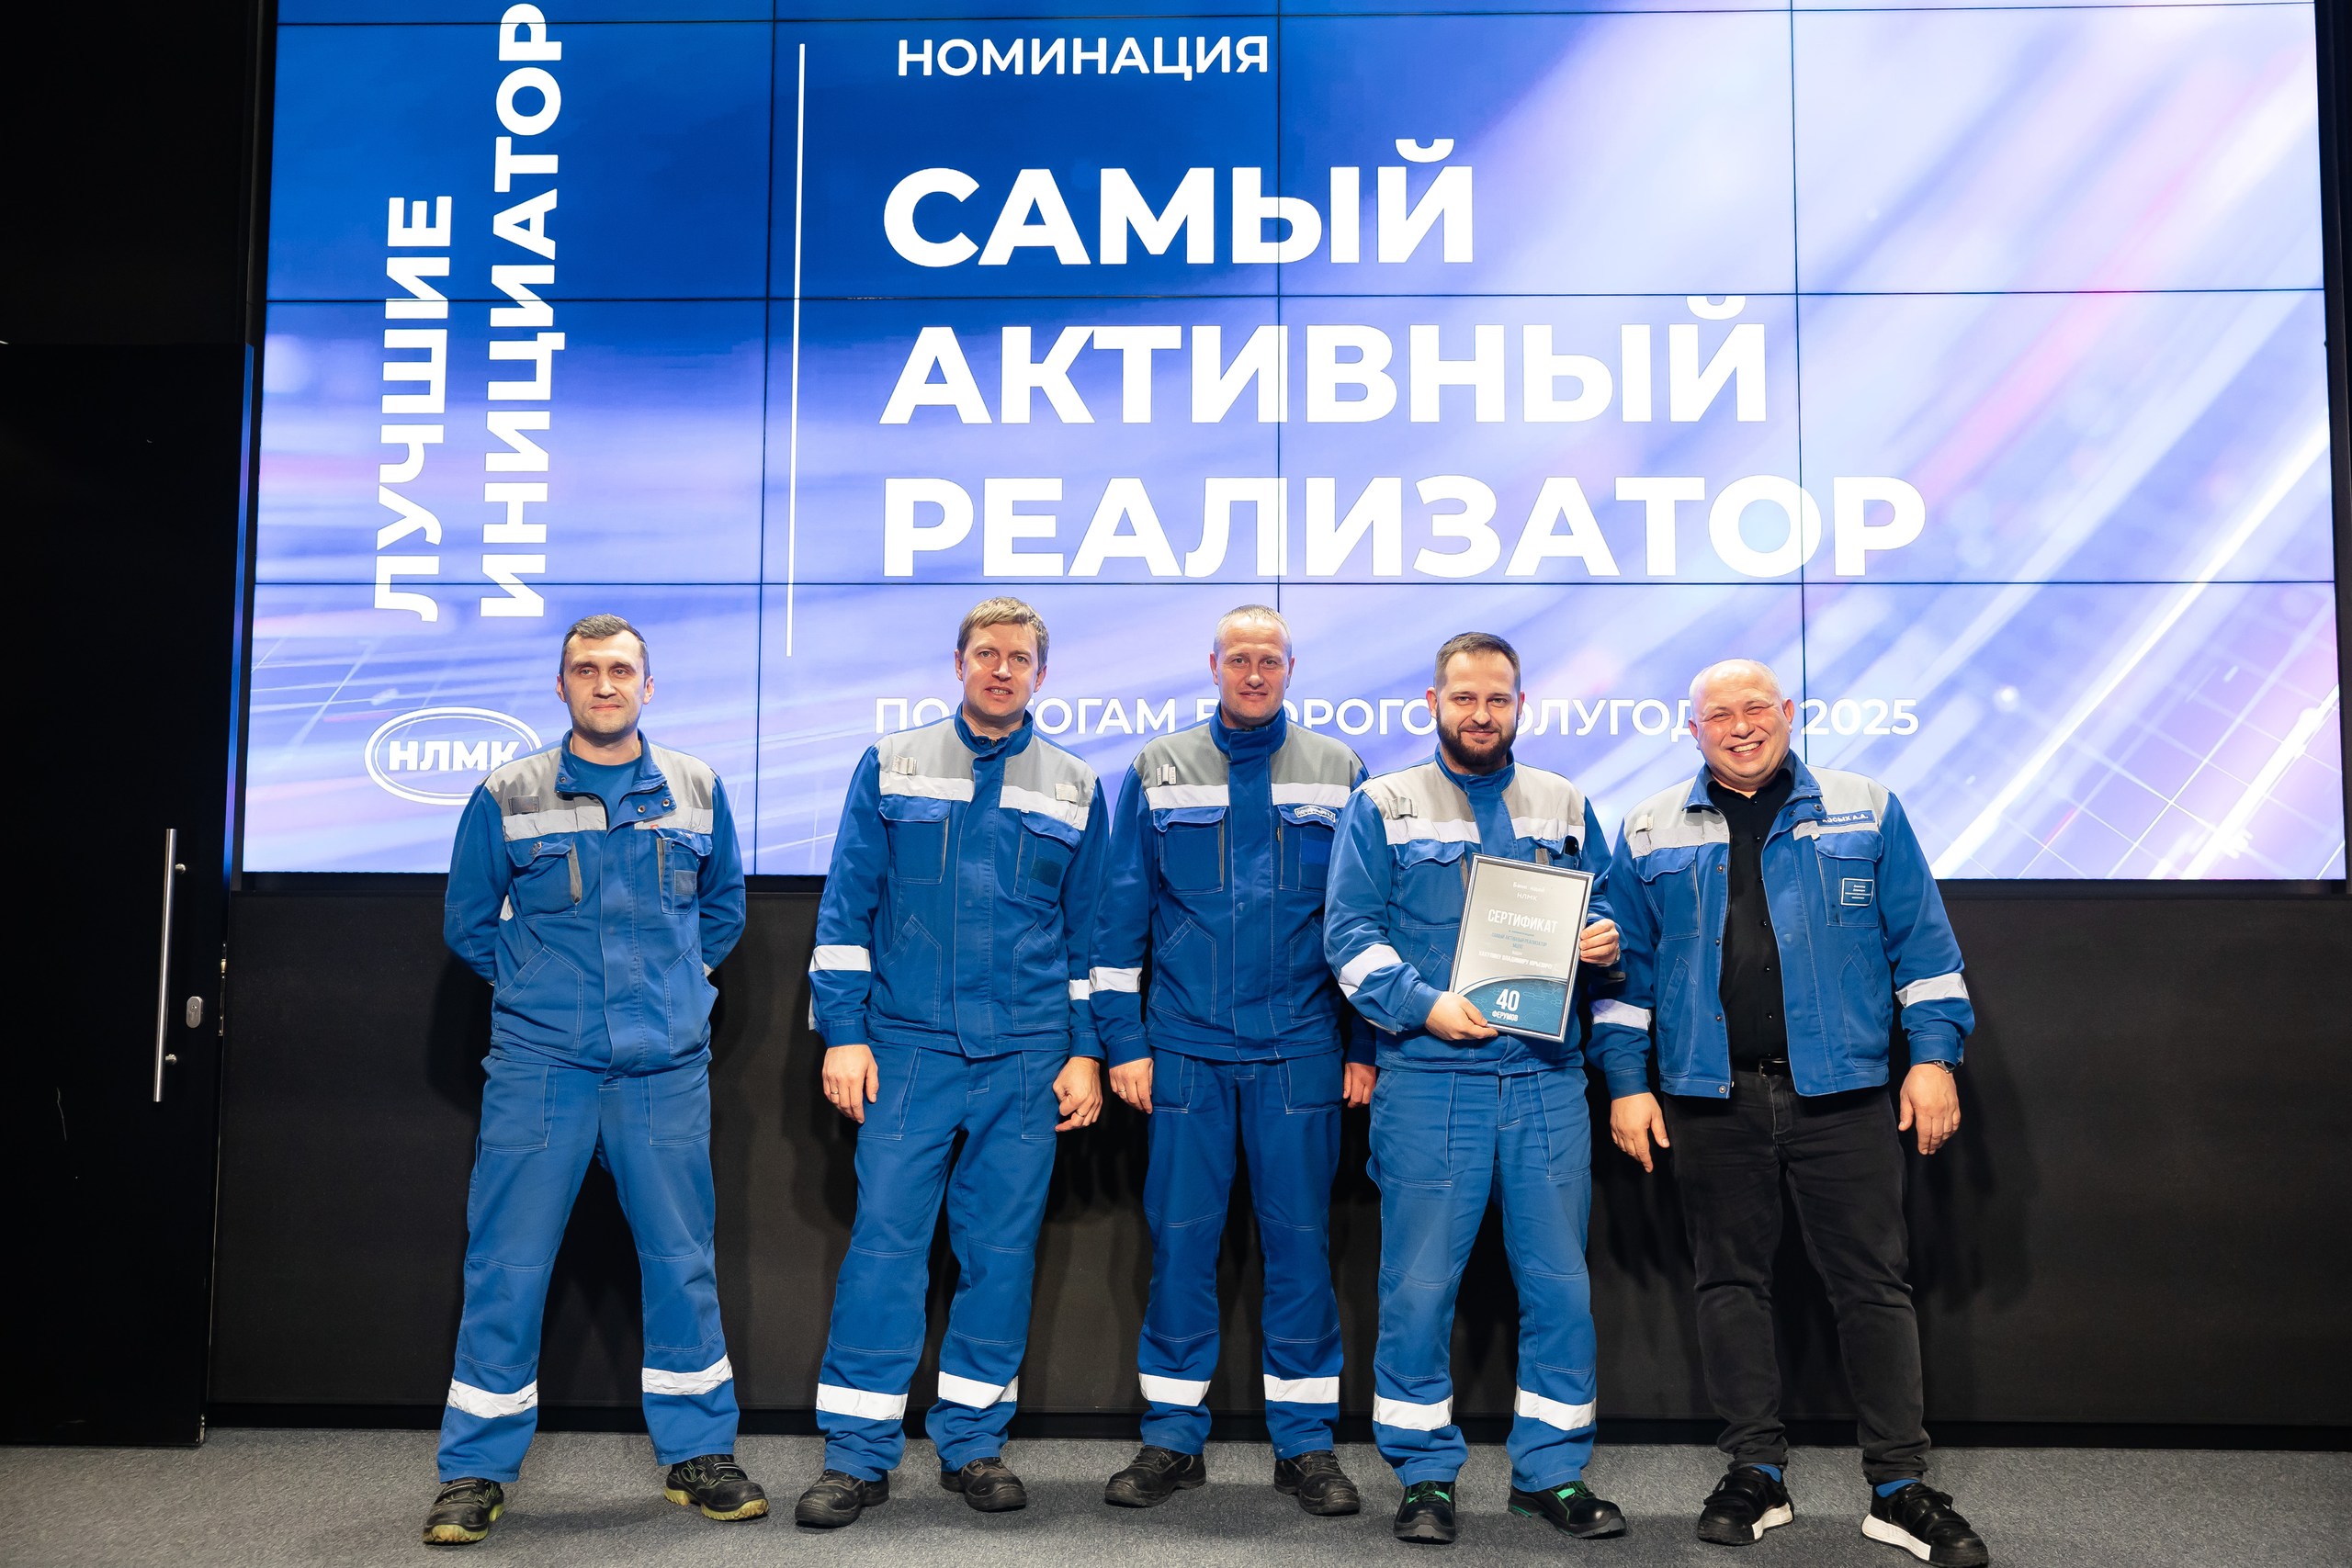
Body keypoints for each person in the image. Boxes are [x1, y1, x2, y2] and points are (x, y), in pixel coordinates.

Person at [1592, 659, 1987, 1567]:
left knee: (1871, 1286)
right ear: (1692, 729)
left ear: (1788, 712)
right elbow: (1626, 977)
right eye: (1719, 715)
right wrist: (1624, 1082)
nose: (1740, 726)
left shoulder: (1866, 808)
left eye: (1755, 709)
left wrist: (1932, 1061)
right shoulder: (1648, 827)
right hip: (1709, 1095)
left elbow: (1924, 949)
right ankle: (1756, 1471)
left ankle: (1898, 1485)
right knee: (1729, 1285)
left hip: (1843, 1095)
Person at [424, 614, 763, 1545]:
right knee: (506, 1266)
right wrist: (540, 990)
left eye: (620, 670)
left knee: (682, 1264)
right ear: (562, 684)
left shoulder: (696, 787)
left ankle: (699, 1455)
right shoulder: (508, 792)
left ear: (647, 687)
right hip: (542, 1067)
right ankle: (474, 1470)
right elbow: (468, 923)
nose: (603, 684)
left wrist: (679, 987)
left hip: (663, 1068)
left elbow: (724, 909)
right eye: (585, 669)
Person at [795, 597, 1108, 1528]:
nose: (1001, 669)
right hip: (907, 1048)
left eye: (1019, 658)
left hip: (1026, 1058)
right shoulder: (892, 762)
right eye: (986, 654)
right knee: (884, 1251)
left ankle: (973, 1443)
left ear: (1041, 674)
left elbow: (1089, 939)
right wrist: (843, 1032)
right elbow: (846, 908)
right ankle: (856, 1456)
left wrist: (1086, 1051)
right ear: (960, 663)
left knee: (998, 1259)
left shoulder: (1074, 784)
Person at [1323, 632, 1627, 1547]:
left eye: (1497, 698)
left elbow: (1607, 910)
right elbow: (1349, 936)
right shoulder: (1383, 804)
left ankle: (1551, 1472)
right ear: (1433, 703)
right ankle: (1423, 1474)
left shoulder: (1564, 802)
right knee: (1417, 1291)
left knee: (1560, 1288)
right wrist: (1424, 1006)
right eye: (1464, 698)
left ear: (1519, 704)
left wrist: (1602, 937)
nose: (1481, 714)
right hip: (1430, 1078)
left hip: (1545, 1079)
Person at [1091, 606, 1372, 1517]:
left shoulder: (1340, 771)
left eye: (1270, 660)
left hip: (1302, 1051)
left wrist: (1364, 1044)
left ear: (1292, 667)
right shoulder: (1158, 767)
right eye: (1239, 658)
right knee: (1180, 1247)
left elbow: (1366, 918)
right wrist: (1124, 1042)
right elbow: (1120, 914)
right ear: (1212, 664)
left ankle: (1305, 1445)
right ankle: (1171, 1439)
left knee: (1301, 1249)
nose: (1254, 673)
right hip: (1184, 1051)